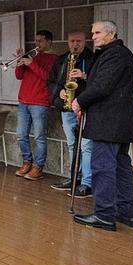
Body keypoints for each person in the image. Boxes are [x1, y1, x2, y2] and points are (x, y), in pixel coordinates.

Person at [71, 21, 133, 232]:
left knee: (103, 168)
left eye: (97, 32)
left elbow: (102, 86)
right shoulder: (117, 53)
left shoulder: (115, 54)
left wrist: (80, 101)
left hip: (110, 122)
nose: (94, 36)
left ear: (111, 34)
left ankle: (104, 214)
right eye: (93, 32)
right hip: (118, 122)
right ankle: (126, 213)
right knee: (120, 167)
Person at [47, 31, 94, 197]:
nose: (76, 44)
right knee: (72, 145)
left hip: (85, 108)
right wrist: (59, 91)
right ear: (68, 42)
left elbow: (101, 82)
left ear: (84, 41)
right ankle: (74, 177)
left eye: (79, 41)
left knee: (87, 146)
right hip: (67, 108)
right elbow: (51, 81)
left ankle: (87, 183)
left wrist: (84, 75)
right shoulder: (62, 60)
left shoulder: (93, 58)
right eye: (73, 41)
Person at [14, 30, 57, 181]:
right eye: (36, 41)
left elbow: (48, 77)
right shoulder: (33, 56)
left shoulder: (54, 59)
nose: (36, 44)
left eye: (40, 41)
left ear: (49, 42)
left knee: (39, 136)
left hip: (40, 102)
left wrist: (32, 64)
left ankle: (38, 167)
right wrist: (20, 61)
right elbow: (19, 75)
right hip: (24, 100)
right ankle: (27, 161)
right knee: (21, 134)